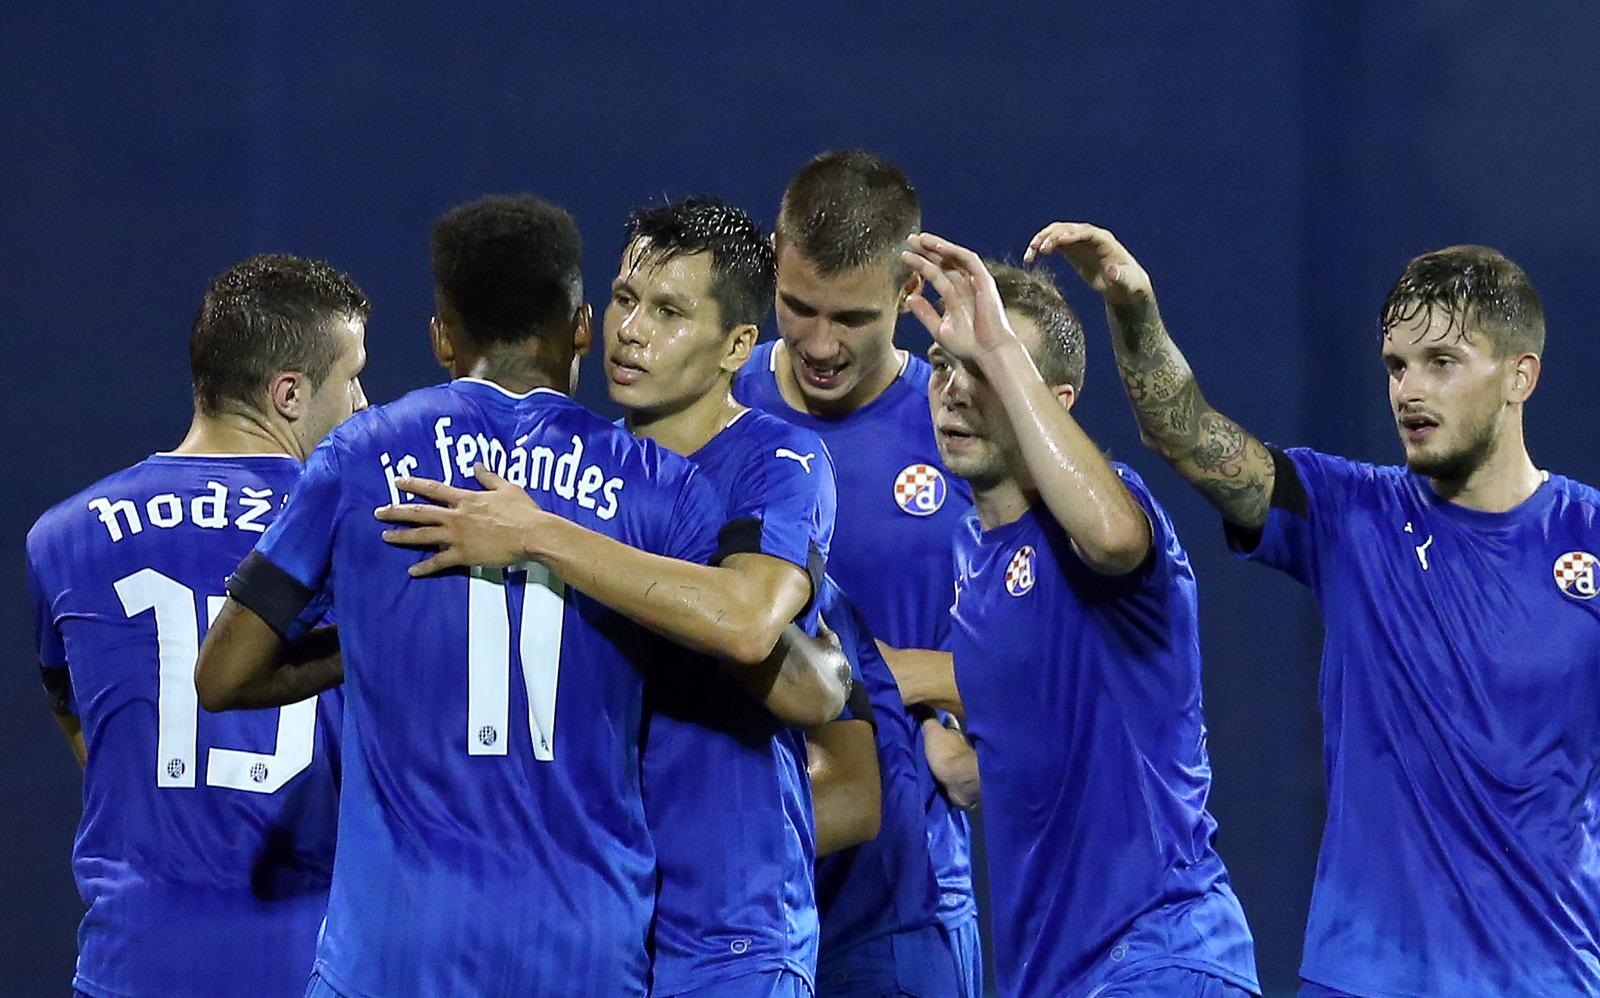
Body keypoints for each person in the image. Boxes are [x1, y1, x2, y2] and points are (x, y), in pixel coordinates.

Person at [1035, 223, 1600, 996]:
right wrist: (1133, 309)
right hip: (1358, 979)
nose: (1410, 390)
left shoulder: (1590, 539)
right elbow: (1184, 431)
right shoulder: (1349, 513)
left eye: (1442, 363)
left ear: (1519, 375)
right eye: (1397, 366)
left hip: (1549, 978)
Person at [195, 194, 731, 997]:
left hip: (395, 949)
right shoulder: (664, 490)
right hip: (584, 945)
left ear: (442, 335)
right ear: (582, 325)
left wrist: (364, 644)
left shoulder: (358, 457)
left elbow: (222, 675)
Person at [900, 233, 1259, 998]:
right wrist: (956, 764)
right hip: (1055, 977)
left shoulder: (1107, 506)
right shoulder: (972, 552)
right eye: (944, 366)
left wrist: (998, 345)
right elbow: (1040, 752)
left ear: (1053, 401)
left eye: (988, 371)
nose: (956, 390)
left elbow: (1112, 537)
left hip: (1161, 957)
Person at [24, 254, 368, 998]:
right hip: (313, 965)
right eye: (353, 379)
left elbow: (85, 725)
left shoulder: (60, 539)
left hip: (133, 966)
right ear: (289, 394)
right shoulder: (360, 537)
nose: (364, 406)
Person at [731, 149, 975, 995]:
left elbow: (1056, 663)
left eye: (853, 318)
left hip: (902, 903)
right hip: (730, 898)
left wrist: (925, 689)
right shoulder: (707, 405)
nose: (821, 344)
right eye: (798, 308)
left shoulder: (965, 430)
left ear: (910, 293)